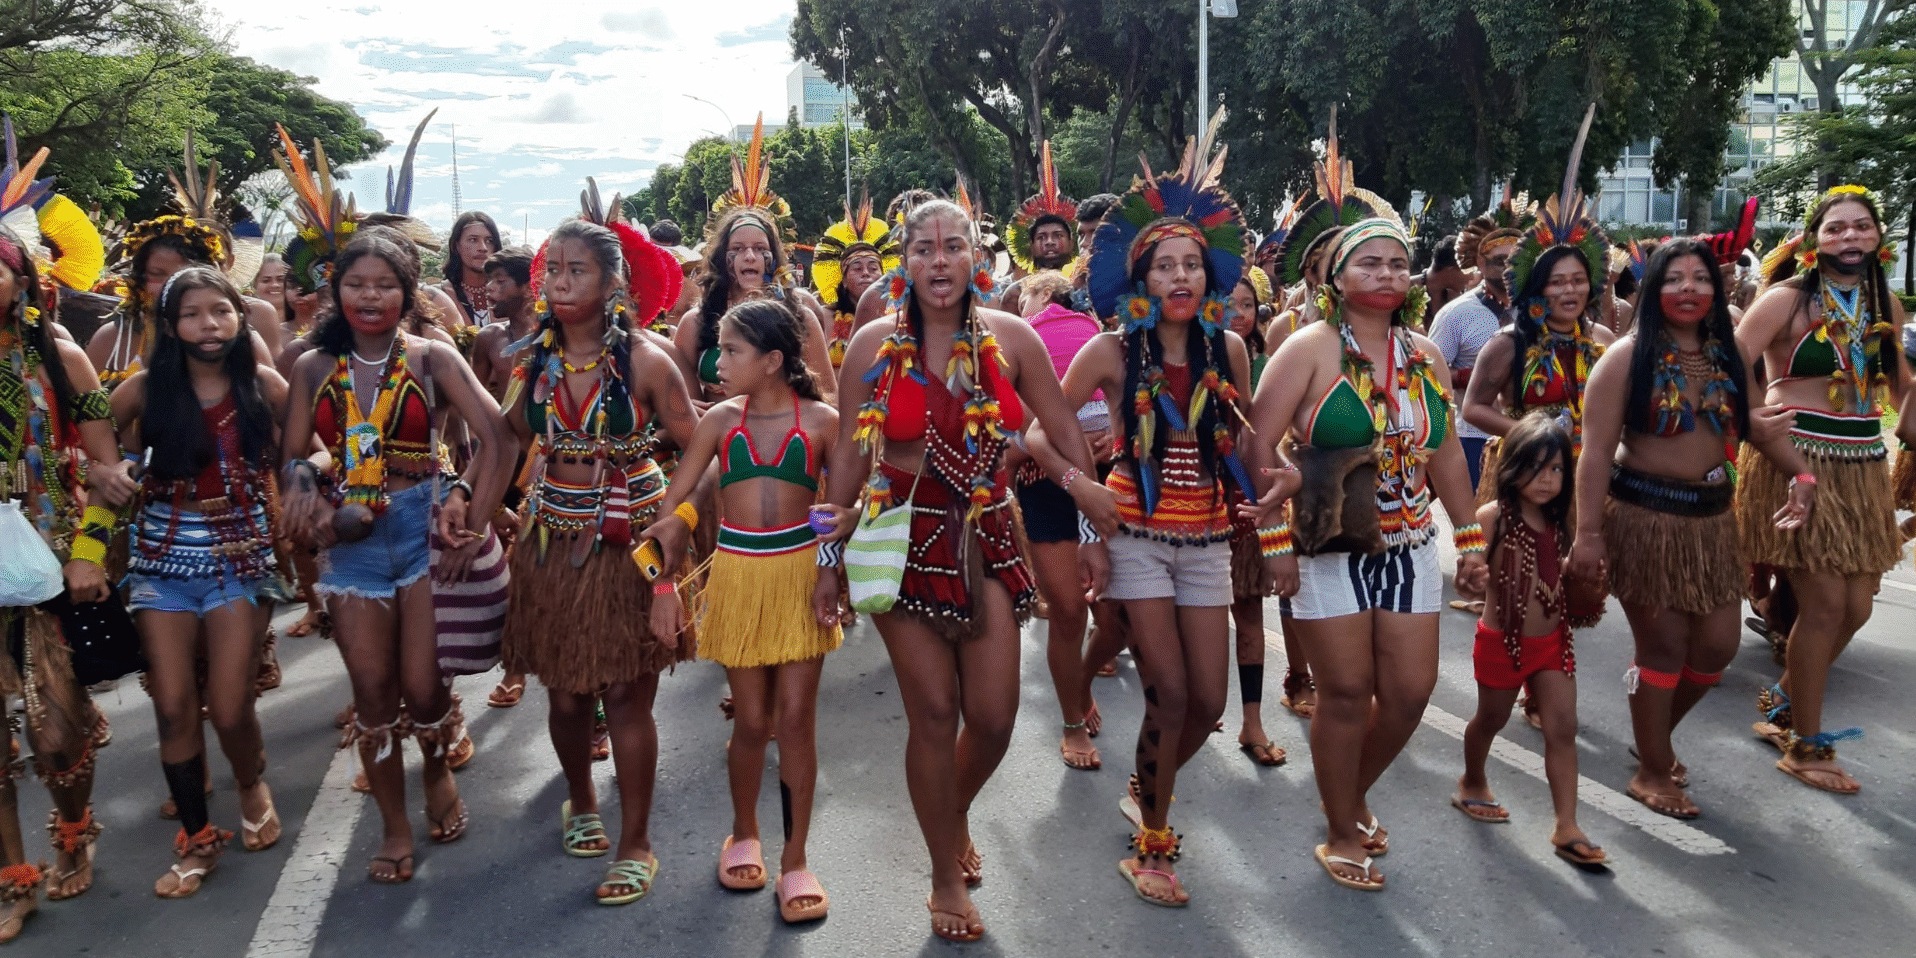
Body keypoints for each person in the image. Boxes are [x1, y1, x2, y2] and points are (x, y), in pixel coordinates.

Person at [813, 198, 1113, 941]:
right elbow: (850, 458)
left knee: (996, 716)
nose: (939, 261)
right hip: (902, 536)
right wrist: (828, 561)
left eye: (953, 247)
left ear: (975, 259)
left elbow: (1064, 429)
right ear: (904, 262)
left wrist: (1087, 515)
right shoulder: (871, 346)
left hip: (990, 536)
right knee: (934, 715)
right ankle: (945, 872)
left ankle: (950, 812)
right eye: (924, 248)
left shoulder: (1012, 338)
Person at [1043, 127, 1266, 906]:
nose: (1180, 274)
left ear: (1209, 276)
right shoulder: (1110, 351)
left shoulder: (1227, 353)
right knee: (1169, 692)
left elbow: (1248, 447)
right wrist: (1084, 486)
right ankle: (1155, 844)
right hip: (1134, 535)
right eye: (1164, 263)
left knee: (1208, 702)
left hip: (1205, 539)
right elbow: (1041, 432)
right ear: (1141, 275)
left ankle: (1149, 785)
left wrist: (1281, 477)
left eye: (1191, 263)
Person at [1245, 216, 1487, 892]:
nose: (1386, 274)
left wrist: (1469, 540)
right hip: (1331, 543)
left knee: (1409, 695)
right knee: (1347, 692)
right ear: (1336, 279)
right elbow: (1258, 446)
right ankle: (1343, 829)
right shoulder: (1308, 348)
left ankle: (1346, 796)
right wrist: (1274, 545)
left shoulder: (1425, 355)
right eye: (1369, 263)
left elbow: (1442, 452)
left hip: (1410, 544)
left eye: (1396, 264)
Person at [278, 234, 517, 884]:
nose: (371, 295)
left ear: (408, 292)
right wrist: (308, 495)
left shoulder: (432, 358)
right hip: (350, 546)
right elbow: (292, 455)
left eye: (386, 284)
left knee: (422, 685)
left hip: (421, 532)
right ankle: (392, 825)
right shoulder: (308, 366)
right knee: (373, 694)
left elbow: (499, 438)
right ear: (336, 289)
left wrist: (472, 505)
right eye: (357, 283)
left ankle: (437, 770)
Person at [1572, 237, 1814, 818]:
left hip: (1711, 521)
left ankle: (1652, 734)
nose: (1688, 289)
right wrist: (1587, 533)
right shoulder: (1625, 359)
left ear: (1718, 286)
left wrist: (1801, 477)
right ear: (1653, 288)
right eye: (1674, 278)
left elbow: (1756, 426)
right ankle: (1652, 770)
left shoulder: (1727, 353)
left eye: (1700, 279)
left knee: (1715, 650)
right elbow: (1596, 452)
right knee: (1662, 647)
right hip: (1643, 517)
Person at [498, 213, 699, 905]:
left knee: (627, 693)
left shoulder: (647, 360)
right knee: (564, 688)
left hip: (634, 545)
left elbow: (695, 451)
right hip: (550, 537)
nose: (559, 282)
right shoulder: (533, 363)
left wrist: (675, 528)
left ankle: (636, 840)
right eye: (552, 269)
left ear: (613, 282)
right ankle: (581, 799)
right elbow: (503, 437)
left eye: (575, 270)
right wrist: (470, 500)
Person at [643, 299, 841, 924]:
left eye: (730, 351)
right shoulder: (718, 422)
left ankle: (796, 859)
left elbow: (843, 507)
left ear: (774, 361)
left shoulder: (824, 423)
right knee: (752, 721)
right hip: (736, 578)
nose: (716, 362)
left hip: (800, 580)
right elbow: (669, 518)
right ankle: (743, 830)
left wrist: (832, 573)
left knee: (796, 721)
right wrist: (662, 589)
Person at [109, 267, 290, 895]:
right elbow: (90, 446)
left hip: (240, 559)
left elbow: (315, 448)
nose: (207, 325)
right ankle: (196, 836)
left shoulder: (264, 385)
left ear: (240, 318)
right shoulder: (141, 391)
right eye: (191, 314)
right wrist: (108, 472)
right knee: (172, 704)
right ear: (170, 324)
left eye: (220, 311)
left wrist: (310, 476)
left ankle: (249, 780)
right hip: (161, 563)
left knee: (232, 706)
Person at [1733, 185, 1907, 794]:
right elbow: (1732, 361)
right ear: (1814, 241)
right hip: (1796, 457)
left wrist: (1907, 413)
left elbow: (1900, 382)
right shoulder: (1785, 300)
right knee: (1826, 605)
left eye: (1861, 226)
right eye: (1835, 228)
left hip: (1861, 464)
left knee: (1856, 607)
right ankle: (1805, 746)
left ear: (1878, 238)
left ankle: (1785, 698)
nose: (1849, 237)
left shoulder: (1887, 303)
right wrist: (1756, 417)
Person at [0, 220, 136, 942]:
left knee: (57, 733)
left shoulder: (60, 356)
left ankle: (75, 822)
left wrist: (89, 554)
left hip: (49, 562)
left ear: (21, 278)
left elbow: (110, 475)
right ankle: (11, 877)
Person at [1455, 412, 1606, 866]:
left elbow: (1550, 573)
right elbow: (1469, 579)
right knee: (1489, 721)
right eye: (1536, 467)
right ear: (1511, 467)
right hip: (1504, 643)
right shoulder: (1491, 518)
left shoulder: (1560, 523)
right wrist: (1471, 578)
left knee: (1563, 729)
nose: (1547, 479)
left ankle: (1567, 824)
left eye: (1557, 469)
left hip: (1553, 642)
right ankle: (1472, 780)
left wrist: (1583, 577)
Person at [1012, 271, 1121, 770]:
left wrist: (1111, 440)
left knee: (1121, 617)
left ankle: (1080, 678)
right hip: (1042, 479)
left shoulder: (1103, 336)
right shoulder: (1008, 340)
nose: (1023, 305)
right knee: (1070, 611)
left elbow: (1124, 403)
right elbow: (1010, 420)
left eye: (1029, 296)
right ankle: (1072, 719)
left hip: (1112, 479)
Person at [671, 120, 833, 403]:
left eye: (760, 248)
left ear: (775, 257)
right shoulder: (694, 324)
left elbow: (829, 397)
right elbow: (681, 409)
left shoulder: (801, 316)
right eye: (739, 248)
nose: (749, 256)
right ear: (723, 258)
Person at [467, 246, 537, 710]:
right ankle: (515, 665)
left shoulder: (555, 337)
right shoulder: (487, 339)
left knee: (530, 572)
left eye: (499, 283)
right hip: (496, 465)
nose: (490, 290)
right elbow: (470, 409)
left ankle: (524, 663)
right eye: (487, 283)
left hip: (543, 467)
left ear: (527, 287)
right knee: (504, 573)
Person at [1224, 265, 1285, 766]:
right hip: (1173, 507)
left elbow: (1251, 430)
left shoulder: (1246, 356)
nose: (1236, 315)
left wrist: (1282, 476)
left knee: (1249, 615)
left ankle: (1252, 720)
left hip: (1239, 495)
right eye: (1226, 304)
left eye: (1246, 305)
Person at [1432, 196, 1533, 494]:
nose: (1507, 268)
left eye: (1515, 261)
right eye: (1498, 260)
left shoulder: (1538, 310)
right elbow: (1429, 371)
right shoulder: (1456, 313)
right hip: (1473, 436)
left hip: (1533, 436)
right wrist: (1469, 375)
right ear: (1479, 262)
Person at [811, 195, 898, 368]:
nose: (866, 273)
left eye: (873, 268)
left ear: (884, 275)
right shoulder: (823, 318)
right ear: (842, 280)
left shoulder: (897, 318)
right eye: (857, 268)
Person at [996, 141, 1079, 312]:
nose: (1049, 242)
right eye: (1041, 237)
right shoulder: (1015, 293)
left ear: (1072, 243)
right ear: (1031, 247)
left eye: (1058, 236)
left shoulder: (1083, 288)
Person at [439, 211, 504, 324]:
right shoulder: (439, 295)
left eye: (489, 241)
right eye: (473, 240)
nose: (483, 248)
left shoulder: (509, 295)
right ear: (456, 246)